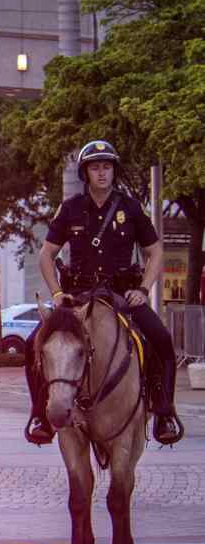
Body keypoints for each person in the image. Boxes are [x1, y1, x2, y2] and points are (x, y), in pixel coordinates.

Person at [25, 139, 182, 446]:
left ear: (114, 171)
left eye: (107, 167)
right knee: (35, 343)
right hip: (78, 297)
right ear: (85, 173)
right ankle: (40, 415)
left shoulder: (130, 207)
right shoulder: (70, 209)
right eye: (95, 168)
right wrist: (57, 293)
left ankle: (164, 410)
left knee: (161, 340)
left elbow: (155, 251)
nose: (101, 173)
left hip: (123, 295)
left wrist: (144, 289)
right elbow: (46, 255)